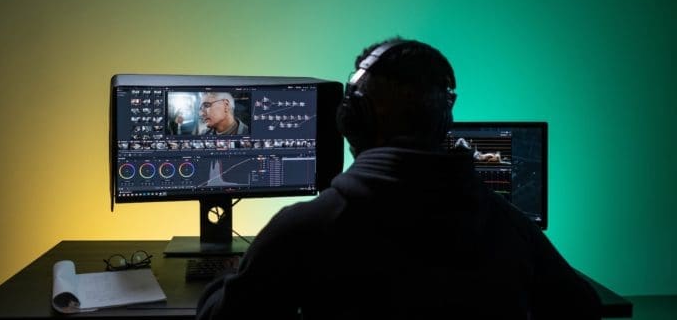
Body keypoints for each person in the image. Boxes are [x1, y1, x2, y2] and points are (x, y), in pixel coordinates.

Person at [196, 38, 602, 319]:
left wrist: (227, 281)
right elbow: (581, 308)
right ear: (442, 121)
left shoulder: (305, 228)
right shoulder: (508, 224)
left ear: (352, 118)